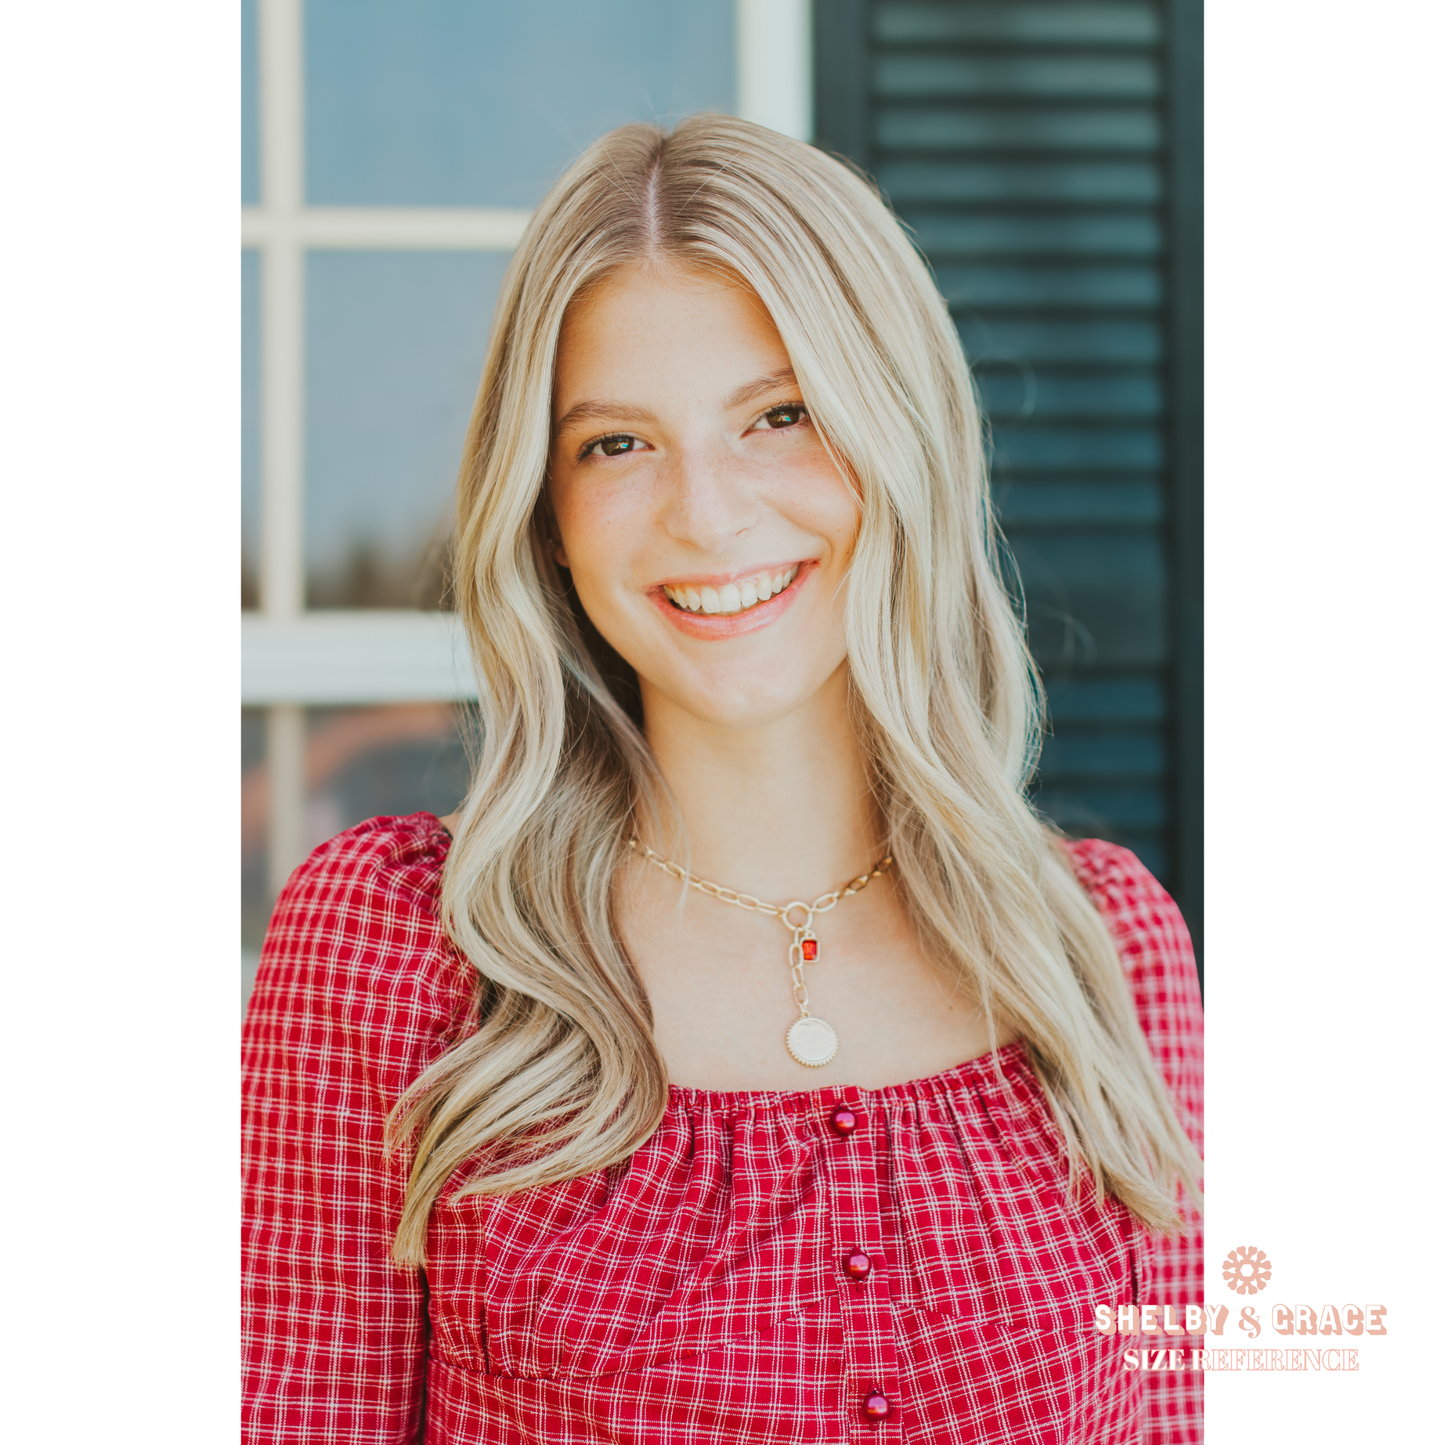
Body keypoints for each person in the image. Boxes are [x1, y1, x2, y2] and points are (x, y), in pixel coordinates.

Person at [242, 114, 1203, 1443]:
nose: (707, 512)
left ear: (899, 443)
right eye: (618, 445)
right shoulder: (401, 947)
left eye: (780, 415)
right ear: (550, 518)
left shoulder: (1105, 950)